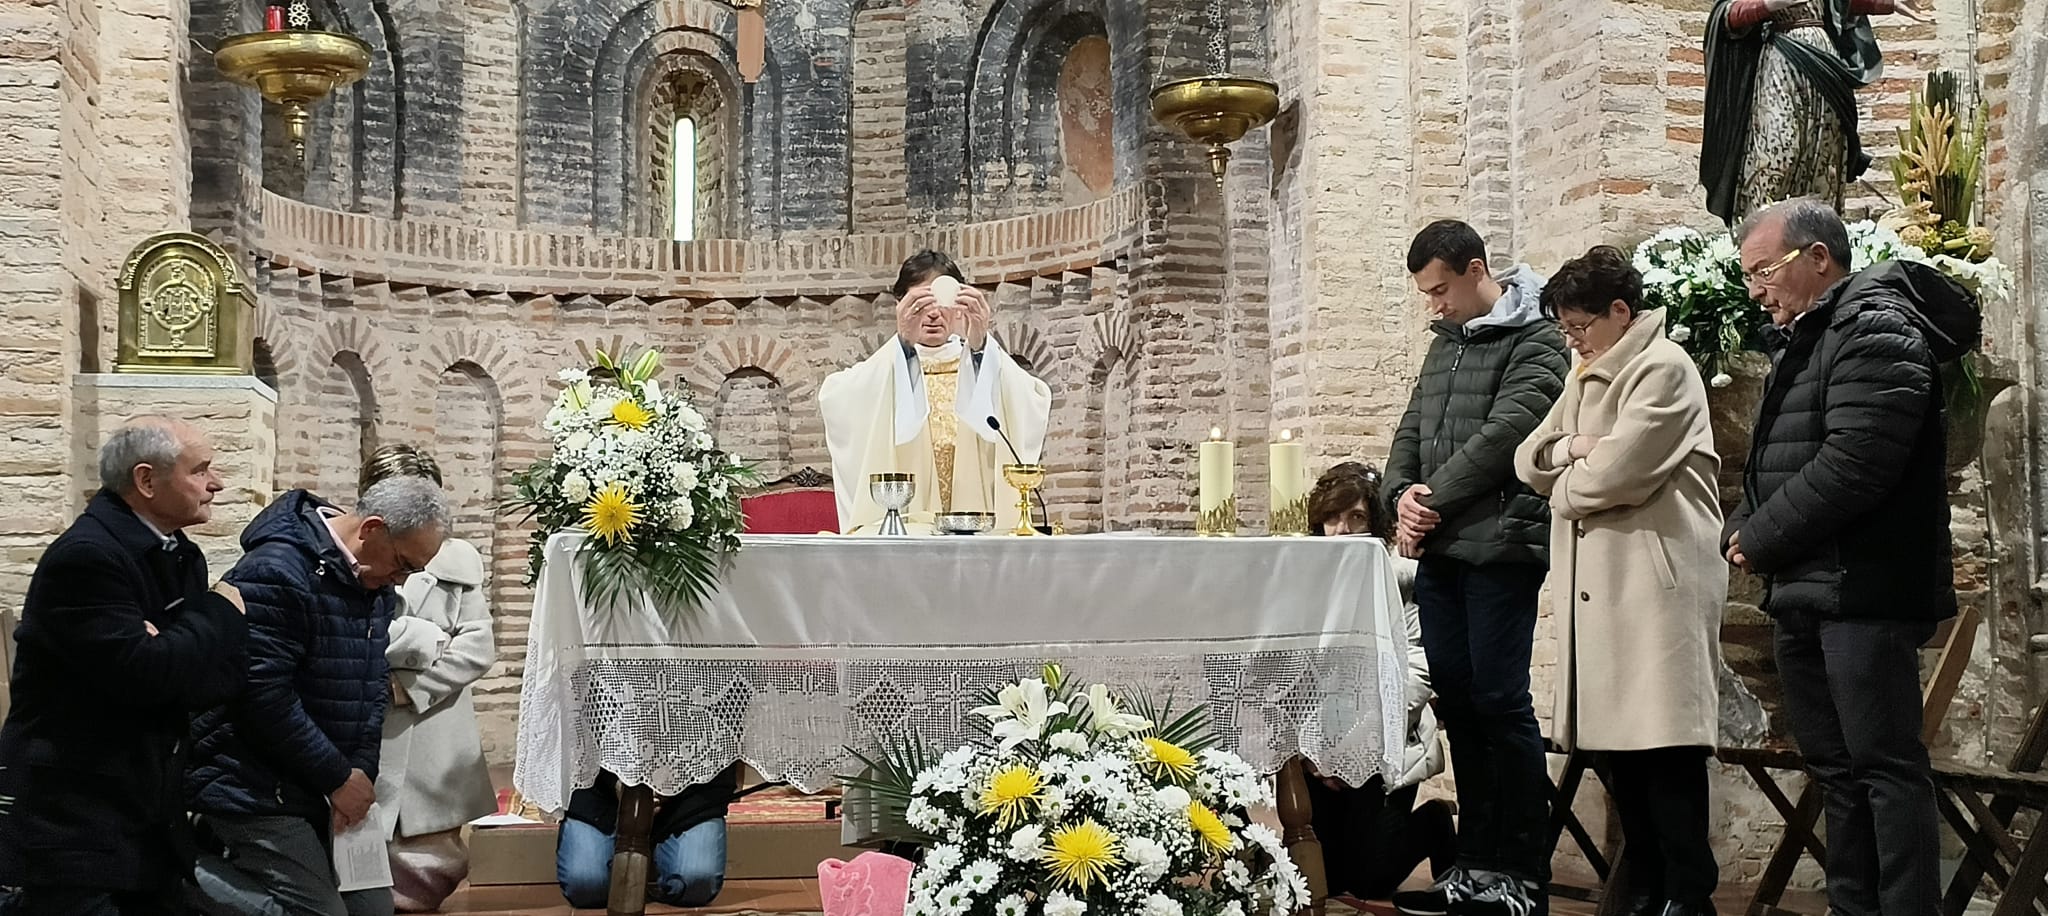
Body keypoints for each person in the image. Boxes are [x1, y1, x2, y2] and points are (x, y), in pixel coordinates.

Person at [1725, 198, 1976, 916]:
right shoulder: (1809, 337)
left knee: (1885, 769)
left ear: (1817, 258)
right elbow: (1775, 459)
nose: (1757, 291)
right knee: (1835, 771)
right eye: (1749, 276)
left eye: (1763, 271)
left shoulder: (1876, 326)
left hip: (1864, 587)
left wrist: (1760, 536)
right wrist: (1742, 524)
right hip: (1809, 585)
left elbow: (1857, 462)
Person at [1512, 247, 1726, 916]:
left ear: (1620, 311)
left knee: (1664, 747)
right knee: (1617, 752)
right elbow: (1527, 458)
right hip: (1599, 591)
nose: (1572, 341)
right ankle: (1647, 886)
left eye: (1580, 326)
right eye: (1565, 329)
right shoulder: (1584, 374)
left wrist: (1567, 481)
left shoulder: (1664, 369)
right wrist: (1575, 449)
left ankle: (1688, 894)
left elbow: (1616, 475)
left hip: (1655, 585)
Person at [1384, 219, 1567, 916]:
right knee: (1458, 708)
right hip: (1443, 552)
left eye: (1440, 290)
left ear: (1476, 269)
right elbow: (1411, 428)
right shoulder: (1447, 343)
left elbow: (1507, 435)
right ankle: (1475, 865)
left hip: (1501, 549)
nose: (1434, 304)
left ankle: (1522, 875)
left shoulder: (1537, 336)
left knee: (1499, 703)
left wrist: (1426, 501)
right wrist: (1399, 496)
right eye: (1426, 295)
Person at [0, 418, 248, 916]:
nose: (216, 483)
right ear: (146, 480)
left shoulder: (181, 554)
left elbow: (218, 680)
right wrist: (219, 611)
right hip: (75, 824)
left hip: (146, 816)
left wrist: (173, 650)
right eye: (200, 470)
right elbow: (150, 675)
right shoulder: (87, 557)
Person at [187, 477, 453, 916]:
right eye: (403, 564)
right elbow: (261, 695)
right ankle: (170, 873)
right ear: (371, 529)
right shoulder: (275, 570)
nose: (401, 580)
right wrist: (336, 778)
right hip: (252, 781)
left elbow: (372, 685)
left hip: (316, 784)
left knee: (372, 910)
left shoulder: (374, 584)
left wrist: (360, 773)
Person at [1304, 462, 1456, 902]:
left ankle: (1433, 822)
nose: (1343, 530)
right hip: (1322, 750)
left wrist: (1358, 743)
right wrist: (1314, 750)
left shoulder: (1402, 577)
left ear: (1376, 522)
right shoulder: (1307, 578)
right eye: (1333, 517)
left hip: (1383, 740)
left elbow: (1419, 666)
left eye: (1356, 517)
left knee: (1367, 882)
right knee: (1328, 881)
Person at [819, 250, 1053, 534]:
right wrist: (903, 345)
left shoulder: (982, 363)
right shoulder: (885, 369)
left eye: (942, 302)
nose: (932, 313)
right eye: (920, 303)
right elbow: (835, 397)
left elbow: (1032, 399)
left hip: (976, 520)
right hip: (908, 528)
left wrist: (980, 344)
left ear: (959, 306)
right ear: (899, 306)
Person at [359, 447, 499, 913]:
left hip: (434, 725)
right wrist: (422, 638)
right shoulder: (354, 558)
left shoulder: (458, 562)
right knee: (364, 848)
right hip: (369, 722)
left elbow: (476, 647)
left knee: (432, 856)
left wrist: (413, 687)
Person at [1700, 0, 1929, 224]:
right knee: (1778, 154)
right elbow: (1728, 15)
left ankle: (1818, 234)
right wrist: (1768, 5)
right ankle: (1760, 233)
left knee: (1824, 157)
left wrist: (1888, 4)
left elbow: (1839, 4)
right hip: (1782, 59)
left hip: (1824, 62)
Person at [556, 767, 739, 909]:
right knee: (586, 885)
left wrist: (665, 787)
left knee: (696, 882)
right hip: (598, 788)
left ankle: (655, 844)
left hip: (690, 789)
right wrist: (623, 786)